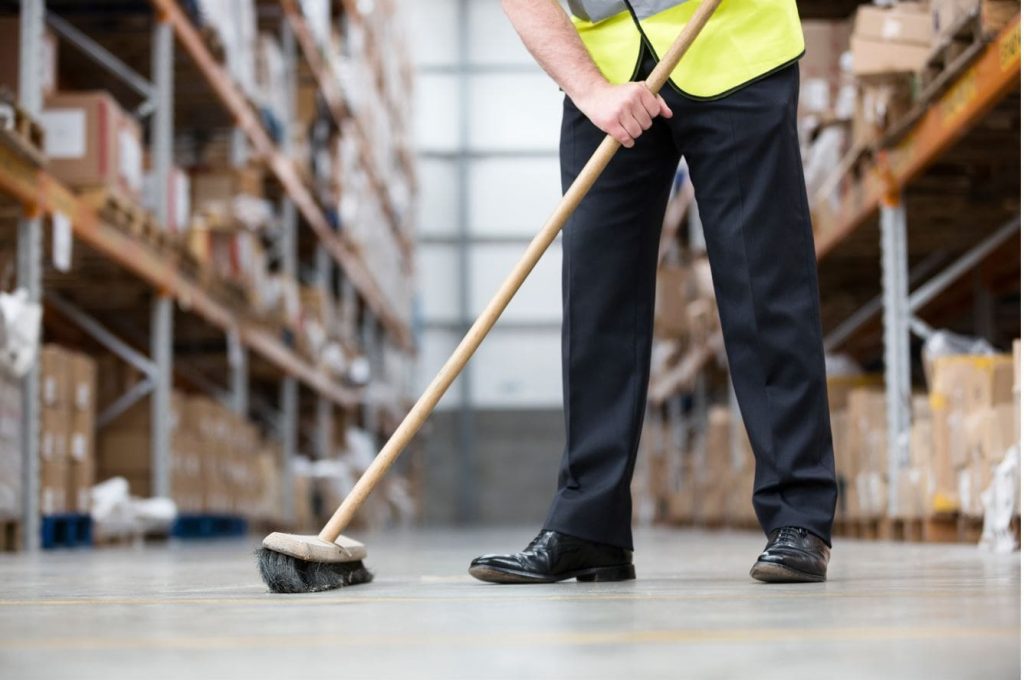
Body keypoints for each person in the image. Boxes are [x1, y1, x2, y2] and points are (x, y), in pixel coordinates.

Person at [469, 0, 838, 585]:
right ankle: (590, 527)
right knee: (597, 300)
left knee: (763, 283)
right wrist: (589, 90)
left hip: (730, 45)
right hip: (605, 71)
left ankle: (801, 517)